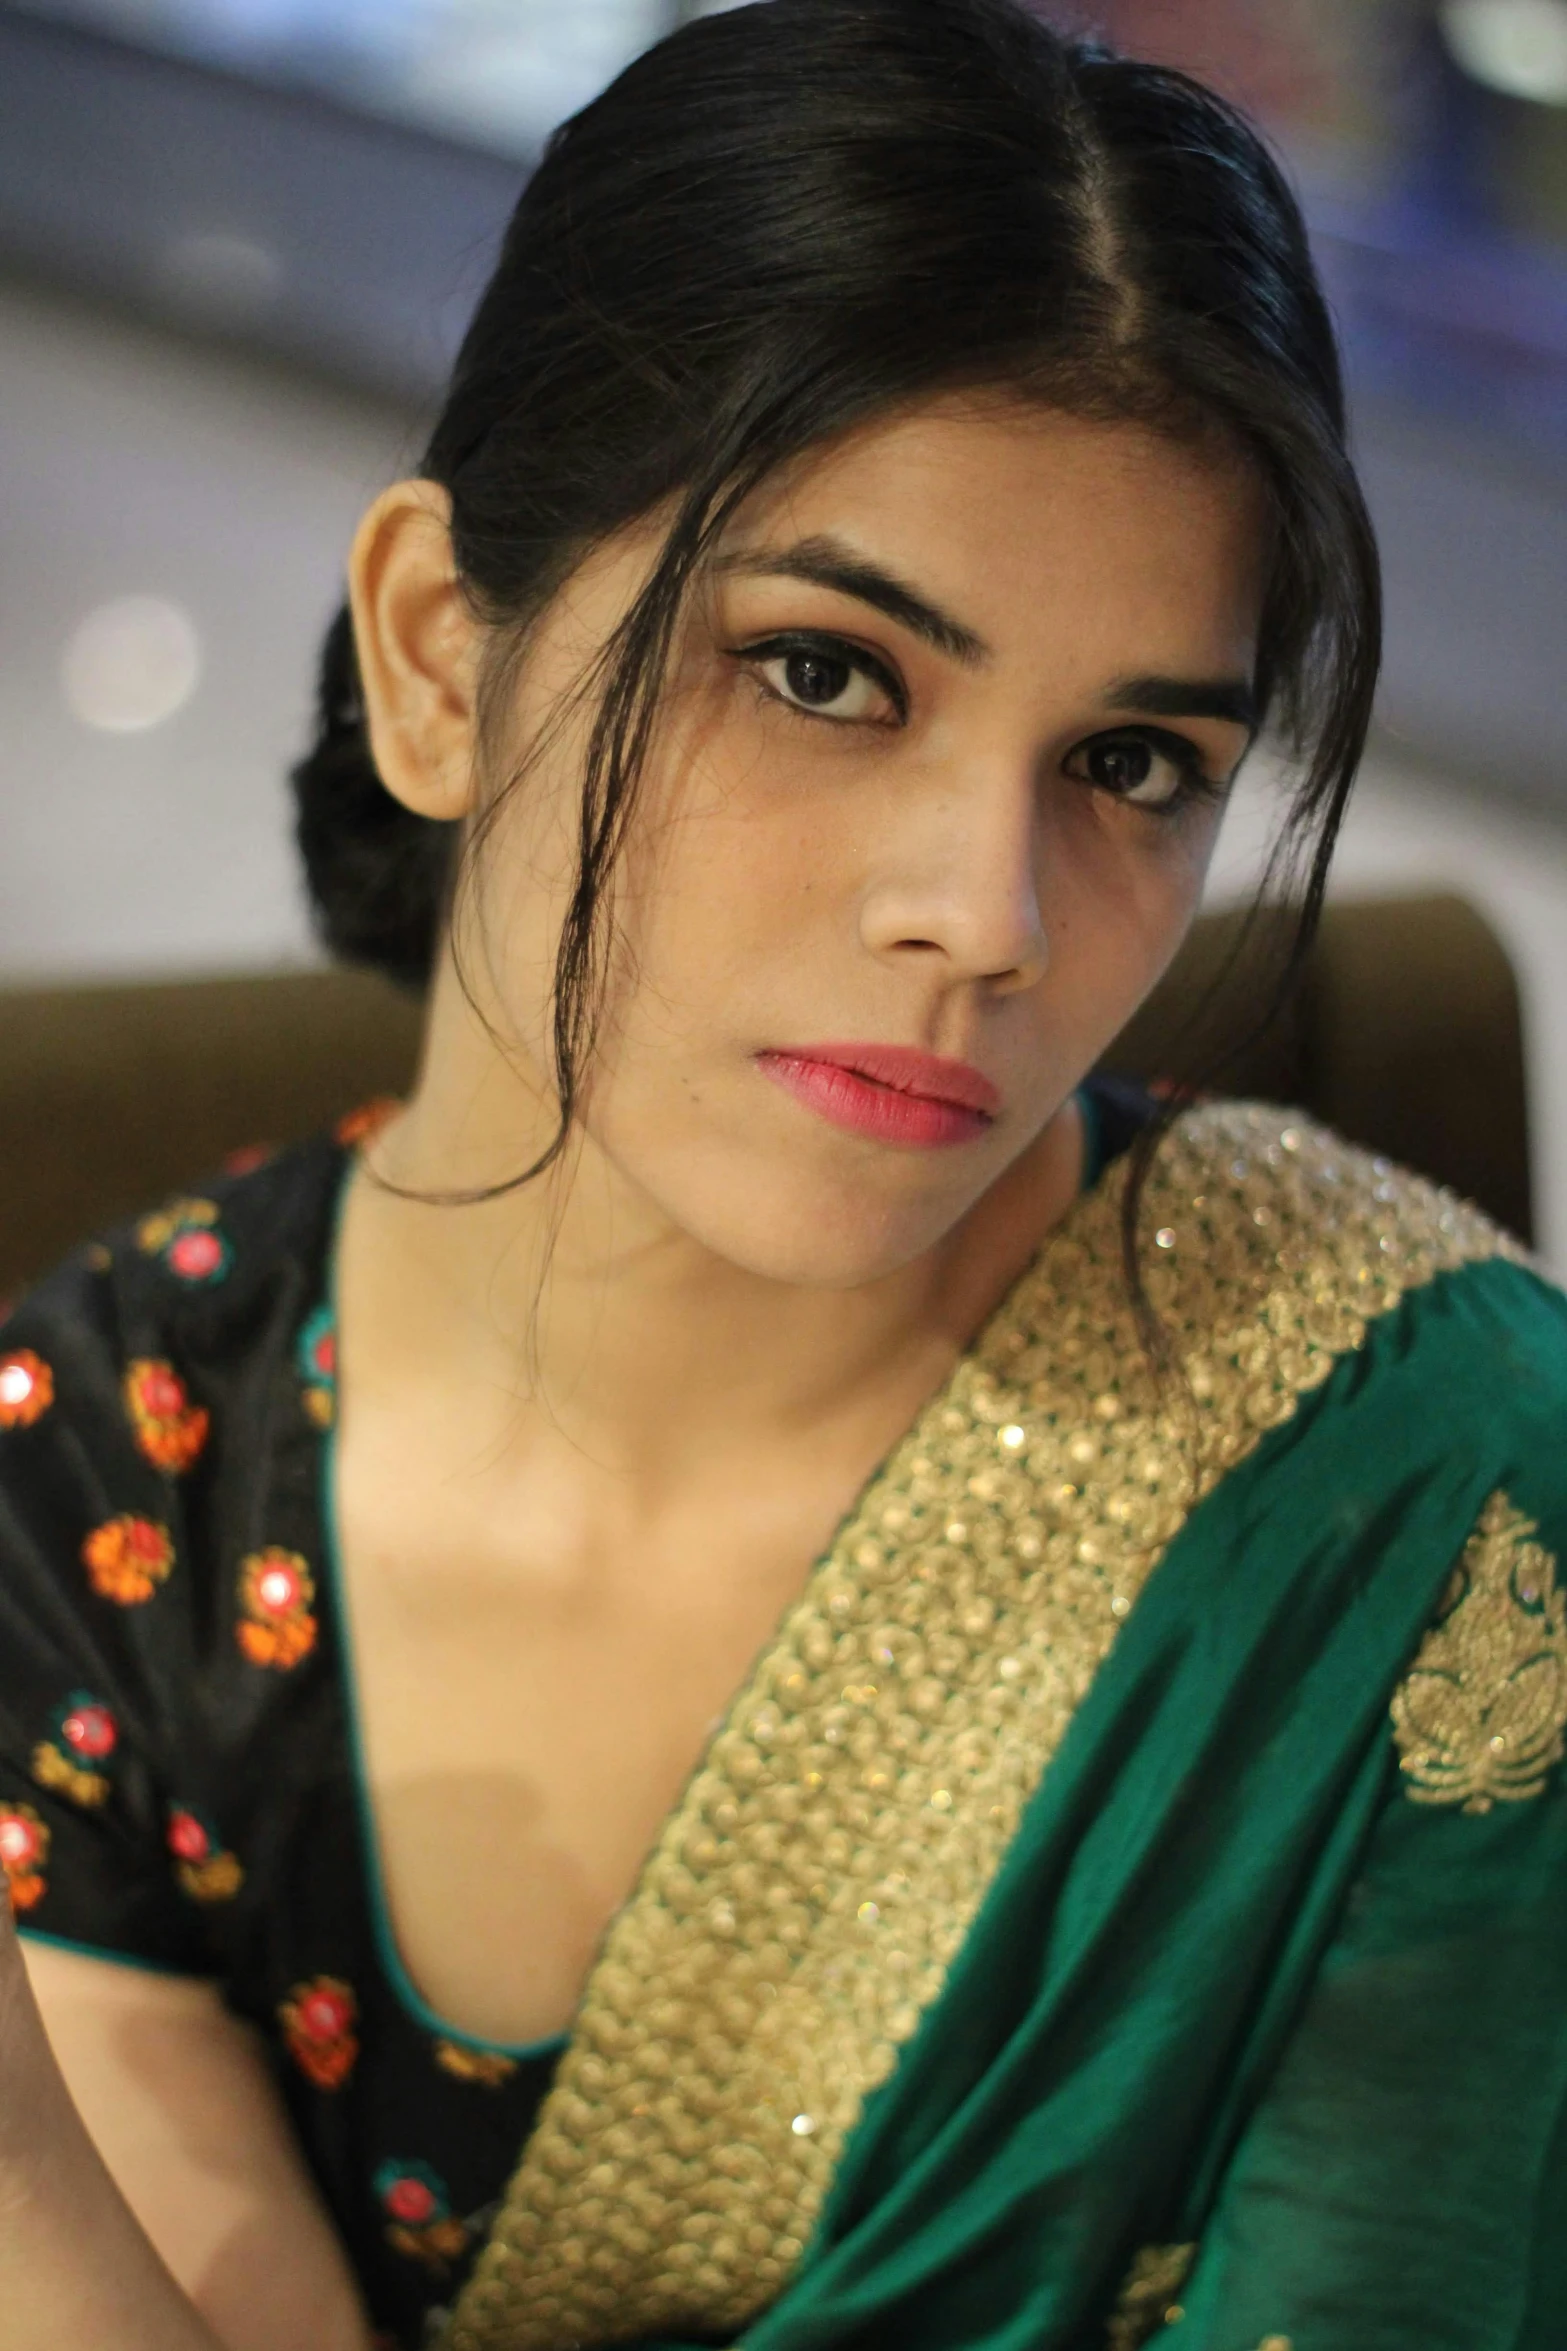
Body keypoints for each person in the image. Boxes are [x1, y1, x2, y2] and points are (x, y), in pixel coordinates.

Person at [1, 1, 1564, 2345]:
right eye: (829, 673)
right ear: (439, 657)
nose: (994, 915)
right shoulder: (108, 1494)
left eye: (1133, 760)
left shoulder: (1430, 1507)